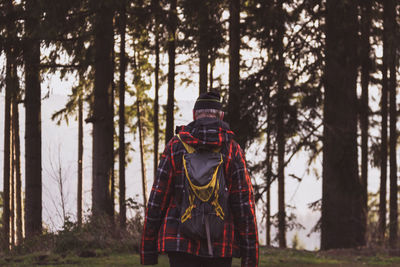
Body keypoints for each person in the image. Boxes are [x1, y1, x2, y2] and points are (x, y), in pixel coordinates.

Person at [140, 91, 259, 267]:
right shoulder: (232, 150)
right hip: (220, 245)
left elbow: (157, 199)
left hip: (180, 242)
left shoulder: (176, 146)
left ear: (195, 115)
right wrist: (250, 258)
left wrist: (148, 250)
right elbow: (244, 206)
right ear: (221, 116)